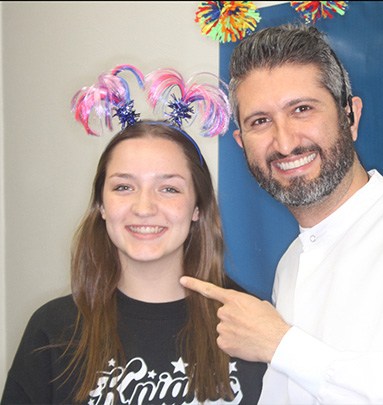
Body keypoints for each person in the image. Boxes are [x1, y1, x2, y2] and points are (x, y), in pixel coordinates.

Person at [180, 23, 383, 404]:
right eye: (260, 122)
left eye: (302, 110)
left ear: (350, 117)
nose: (285, 141)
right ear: (241, 143)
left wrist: (282, 344)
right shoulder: (292, 263)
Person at [1, 66, 266, 404]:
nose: (144, 207)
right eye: (124, 187)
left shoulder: (248, 321)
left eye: (168, 188)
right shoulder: (53, 330)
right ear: (101, 204)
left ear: (197, 207)